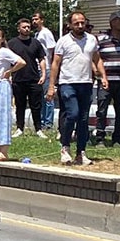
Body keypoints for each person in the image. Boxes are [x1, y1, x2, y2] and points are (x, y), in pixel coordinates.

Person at [47, 11, 105, 165]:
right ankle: (65, 147)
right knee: (72, 114)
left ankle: (81, 152)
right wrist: (51, 86)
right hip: (67, 83)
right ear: (70, 25)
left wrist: (103, 76)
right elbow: (55, 63)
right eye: (76, 23)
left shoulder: (92, 40)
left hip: (85, 82)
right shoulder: (63, 41)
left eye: (82, 22)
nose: (80, 25)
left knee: (84, 119)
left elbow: (97, 58)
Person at [0, 27, 27, 161]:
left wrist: (10, 71)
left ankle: (4, 150)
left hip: (1, 85)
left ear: (2, 39)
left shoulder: (4, 52)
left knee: (2, 116)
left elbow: (21, 62)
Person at [93, 11, 120, 146]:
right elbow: (94, 56)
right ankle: (100, 137)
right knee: (102, 110)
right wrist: (96, 71)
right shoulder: (101, 38)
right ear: (113, 22)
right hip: (106, 80)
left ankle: (118, 138)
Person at [7, 18, 47, 138]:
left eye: (28, 27)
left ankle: (38, 129)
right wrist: (8, 74)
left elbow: (41, 59)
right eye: (24, 27)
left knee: (36, 105)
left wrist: (44, 74)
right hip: (18, 79)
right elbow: (7, 60)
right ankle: (20, 128)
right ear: (19, 28)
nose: (27, 29)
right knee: (20, 105)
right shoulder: (12, 43)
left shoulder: (35, 43)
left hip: (34, 78)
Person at [32, 11, 58, 131]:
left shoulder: (46, 33)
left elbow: (52, 50)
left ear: (42, 20)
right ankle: (42, 121)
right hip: (37, 67)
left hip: (46, 67)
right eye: (33, 19)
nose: (34, 21)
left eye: (36, 19)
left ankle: (48, 123)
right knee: (40, 96)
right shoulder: (37, 34)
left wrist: (52, 68)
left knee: (48, 96)